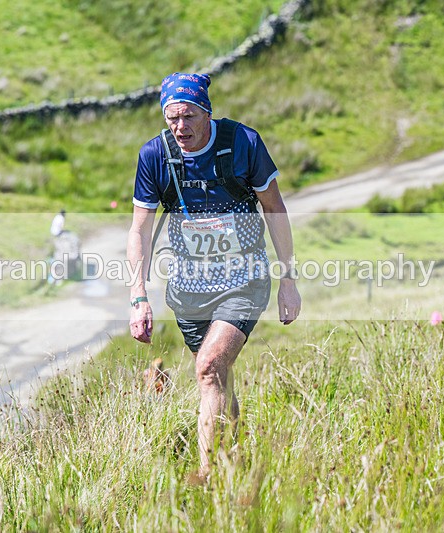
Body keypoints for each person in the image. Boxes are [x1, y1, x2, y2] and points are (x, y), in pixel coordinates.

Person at [126, 72, 302, 479]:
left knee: (207, 367)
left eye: (188, 116)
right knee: (216, 380)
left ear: (207, 112)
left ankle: (207, 477)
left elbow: (275, 210)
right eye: (171, 118)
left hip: (245, 279)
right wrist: (138, 295)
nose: (180, 127)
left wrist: (288, 280)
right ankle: (234, 467)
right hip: (189, 288)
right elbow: (140, 229)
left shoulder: (243, 143)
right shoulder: (155, 156)